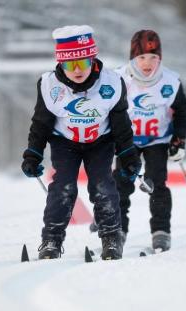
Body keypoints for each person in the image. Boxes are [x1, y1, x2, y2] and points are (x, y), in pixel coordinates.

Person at [21, 25, 141, 260]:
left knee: (103, 186)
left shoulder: (112, 83)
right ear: (61, 64)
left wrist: (128, 155)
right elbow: (41, 124)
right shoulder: (49, 86)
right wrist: (32, 154)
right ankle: (51, 240)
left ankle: (111, 237)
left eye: (83, 63)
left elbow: (121, 124)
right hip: (65, 142)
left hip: (100, 141)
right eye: (70, 65)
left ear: (92, 59)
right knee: (63, 187)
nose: (77, 70)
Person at [114, 29, 186, 252]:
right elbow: (107, 109)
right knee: (121, 184)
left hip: (158, 139)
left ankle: (161, 231)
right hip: (128, 142)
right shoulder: (119, 79)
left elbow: (182, 111)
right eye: (142, 58)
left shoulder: (171, 81)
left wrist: (179, 139)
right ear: (133, 58)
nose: (148, 63)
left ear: (160, 59)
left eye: (153, 57)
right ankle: (117, 229)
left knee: (156, 184)